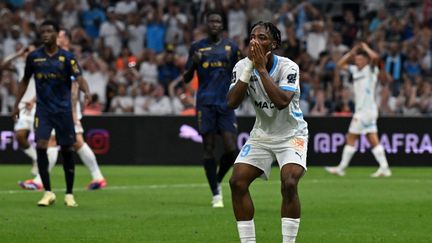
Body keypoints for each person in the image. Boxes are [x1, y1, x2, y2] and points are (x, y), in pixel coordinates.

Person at [227, 21, 308, 243]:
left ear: (274, 44)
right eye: (252, 36)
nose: (255, 41)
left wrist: (261, 69)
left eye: (262, 37)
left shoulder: (289, 67)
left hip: (292, 135)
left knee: (289, 182)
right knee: (237, 182)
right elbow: (232, 103)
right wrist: (248, 70)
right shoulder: (242, 66)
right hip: (261, 136)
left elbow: (282, 101)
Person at [11, 20, 91, 207]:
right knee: (41, 146)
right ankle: (48, 192)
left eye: (49, 31)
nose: (45, 34)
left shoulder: (67, 57)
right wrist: (16, 105)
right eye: (42, 32)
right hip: (44, 111)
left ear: (56, 34)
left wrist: (86, 91)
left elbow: (79, 77)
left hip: (63, 111)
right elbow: (24, 81)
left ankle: (69, 194)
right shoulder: (34, 57)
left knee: (67, 150)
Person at [18, 28, 107, 191]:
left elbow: (73, 86)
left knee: (57, 141)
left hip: (65, 107)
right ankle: (98, 177)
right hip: (54, 105)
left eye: (59, 36)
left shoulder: (66, 57)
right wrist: (33, 100)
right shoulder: (50, 56)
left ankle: (39, 181)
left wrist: (72, 111)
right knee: (77, 142)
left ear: (66, 40)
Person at [183, 10, 241, 208]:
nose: (215, 24)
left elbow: (241, 71)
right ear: (207, 25)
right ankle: (216, 193)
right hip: (205, 104)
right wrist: (194, 65)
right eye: (211, 21)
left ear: (222, 26)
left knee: (231, 148)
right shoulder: (197, 47)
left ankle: (216, 178)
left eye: (218, 21)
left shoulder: (231, 47)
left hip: (226, 103)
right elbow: (186, 78)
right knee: (208, 147)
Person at [325, 42, 391, 177]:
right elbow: (339, 65)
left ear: (367, 60)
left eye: (361, 59)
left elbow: (377, 58)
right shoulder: (355, 70)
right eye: (356, 60)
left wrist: (366, 48)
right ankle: (384, 168)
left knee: (351, 137)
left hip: (365, 111)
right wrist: (352, 52)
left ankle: (341, 168)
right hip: (366, 111)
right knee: (372, 139)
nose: (358, 62)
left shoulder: (371, 70)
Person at [1, 45, 38, 175]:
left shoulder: (41, 66)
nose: (28, 53)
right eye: (27, 51)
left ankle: (42, 166)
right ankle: (36, 158)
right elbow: (3, 65)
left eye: (31, 51)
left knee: (41, 138)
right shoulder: (20, 66)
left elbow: (45, 86)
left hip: (38, 105)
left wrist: (33, 100)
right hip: (22, 106)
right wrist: (18, 54)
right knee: (19, 136)